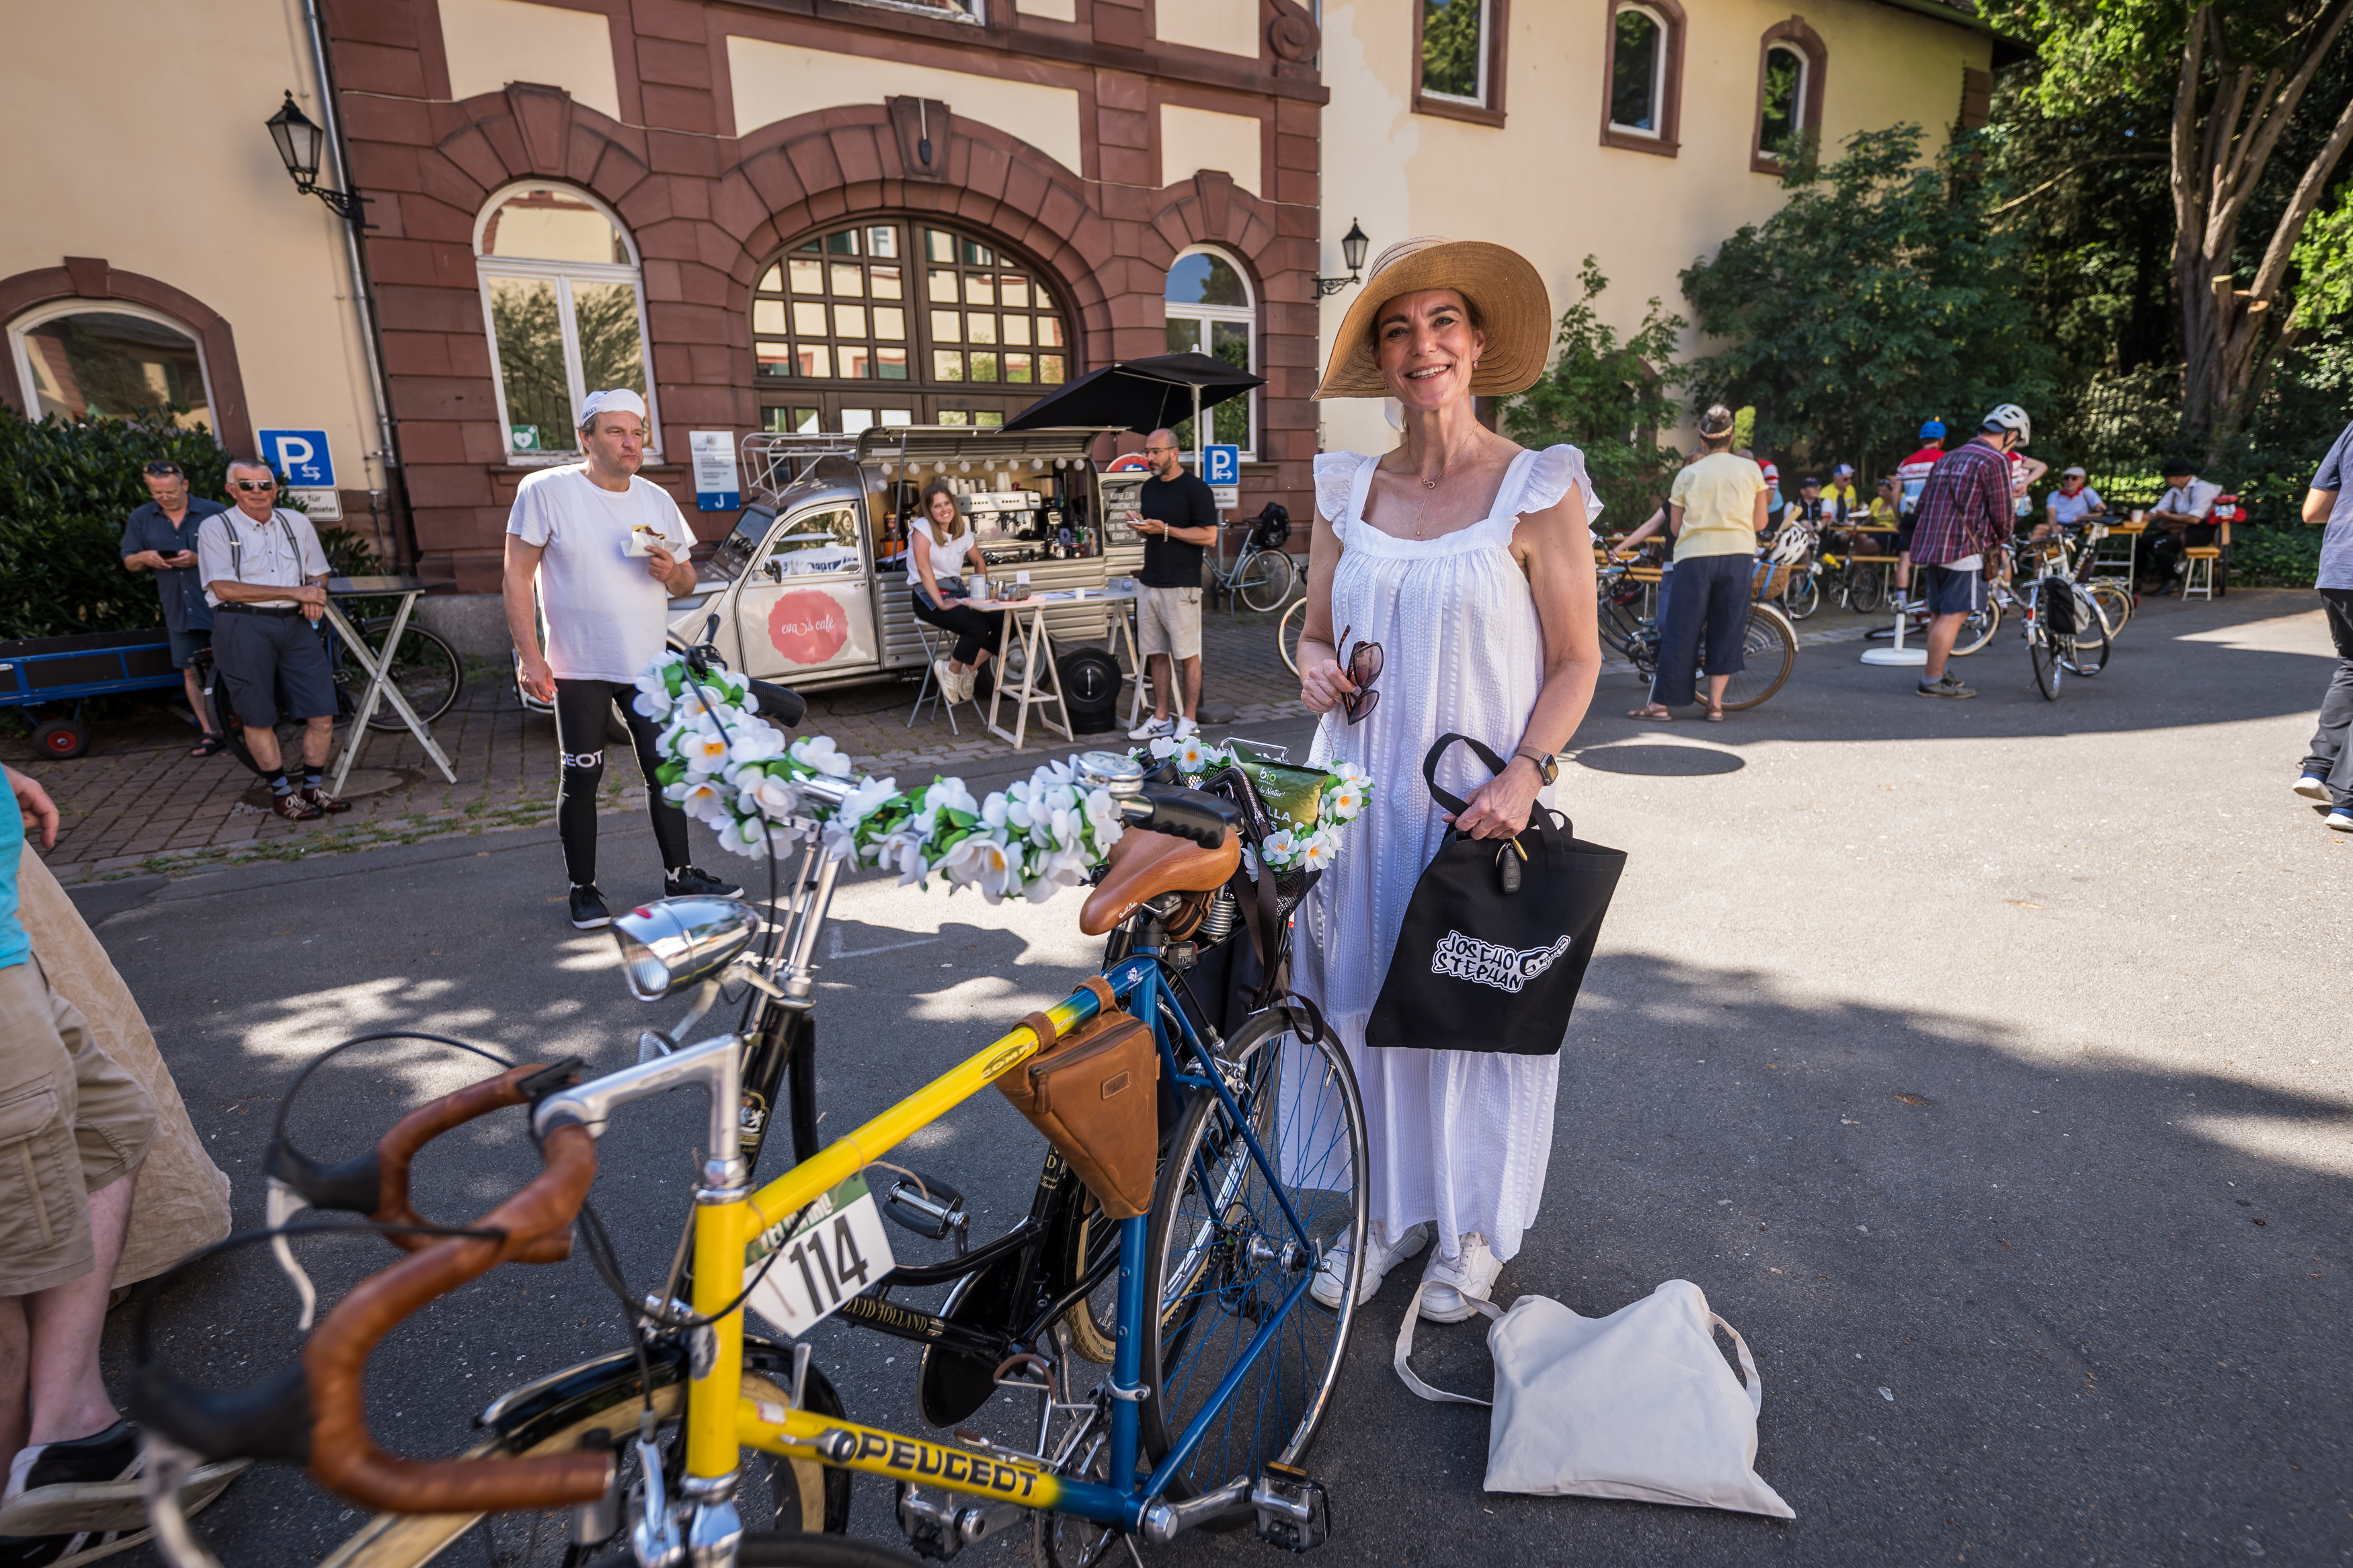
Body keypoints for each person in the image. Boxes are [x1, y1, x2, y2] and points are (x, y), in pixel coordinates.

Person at [1294, 235, 1603, 1323]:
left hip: (1477, 803)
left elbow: (1576, 659)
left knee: (1472, 1010)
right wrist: (1314, 664)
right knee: (1367, 1003)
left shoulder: (1535, 486)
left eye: (1440, 324)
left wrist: (1528, 771)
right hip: (1359, 797)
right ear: (1382, 359)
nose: (1420, 345)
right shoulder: (1348, 488)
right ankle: (1385, 1212)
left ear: (1475, 346)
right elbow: (1314, 631)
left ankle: (1471, 1231)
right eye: (1396, 328)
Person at [0, 763, 159, 1567]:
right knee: (7, 1273)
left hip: (11, 955)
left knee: (112, 1122)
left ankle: (68, 1427)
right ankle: (18, 1519)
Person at [503, 388, 740, 930]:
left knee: (666, 772)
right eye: (615, 431)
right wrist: (530, 657)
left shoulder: (655, 499)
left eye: (637, 431)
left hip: (646, 664)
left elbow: (685, 579)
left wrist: (670, 573)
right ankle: (583, 889)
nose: (630, 441)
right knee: (582, 778)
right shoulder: (545, 491)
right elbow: (517, 575)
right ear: (586, 438)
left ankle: (680, 874)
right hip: (578, 664)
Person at [196, 461, 349, 821]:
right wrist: (302, 591)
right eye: (246, 485)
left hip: (294, 623)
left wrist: (314, 592)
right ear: (231, 490)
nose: (257, 491)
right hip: (241, 624)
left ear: (275, 489)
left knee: (321, 710)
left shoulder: (295, 522)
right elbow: (225, 587)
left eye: (264, 484)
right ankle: (281, 793)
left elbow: (320, 572)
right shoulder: (215, 528)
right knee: (258, 713)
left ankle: (312, 787)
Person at [1629, 405, 1769, 723]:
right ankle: (1715, 706)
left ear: (1702, 440)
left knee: (1682, 629)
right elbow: (1760, 521)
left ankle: (1661, 705)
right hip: (1737, 554)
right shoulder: (1751, 471)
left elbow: (1676, 529)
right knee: (1727, 626)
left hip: (1694, 557)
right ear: (1730, 437)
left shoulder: (1688, 473)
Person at [1907, 405, 2029, 699]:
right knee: (1954, 614)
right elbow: (2002, 514)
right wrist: (2001, 542)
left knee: (1939, 613)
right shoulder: (1995, 460)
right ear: (2010, 434)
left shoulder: (1947, 458)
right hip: (1966, 548)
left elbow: (1923, 505)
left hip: (1932, 545)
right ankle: (1931, 681)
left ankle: (1935, 672)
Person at [118, 460, 229, 757]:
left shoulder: (215, 512)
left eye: (170, 492)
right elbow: (128, 562)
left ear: (185, 485)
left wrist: (200, 559)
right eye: (157, 493)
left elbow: (241, 554)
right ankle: (210, 731)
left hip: (221, 606)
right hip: (179, 609)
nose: (165, 498)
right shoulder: (141, 518)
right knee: (190, 672)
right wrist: (144, 556)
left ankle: (243, 723)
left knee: (236, 665)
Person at [1125, 427, 1219, 742]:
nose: (1148, 457)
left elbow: (1209, 536)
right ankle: (1161, 718)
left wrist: (1166, 529)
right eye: (1146, 451)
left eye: (1155, 452)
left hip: (1182, 585)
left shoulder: (1197, 489)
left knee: (1188, 654)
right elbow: (1155, 532)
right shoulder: (1150, 488)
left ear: (1174, 453)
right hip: (1150, 581)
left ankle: (1189, 720)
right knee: (1155, 653)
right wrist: (1142, 527)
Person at [2295, 417, 2353, 831]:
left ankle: (2317, 767)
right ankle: (2348, 799)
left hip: (2338, 569)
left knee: (2351, 665)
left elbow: (2313, 510)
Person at [906, 480, 1004, 704]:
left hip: (958, 592)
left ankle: (968, 669)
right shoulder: (922, 526)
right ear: (929, 511)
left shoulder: (962, 530)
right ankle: (951, 669)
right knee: (977, 627)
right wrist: (940, 602)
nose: (944, 509)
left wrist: (982, 596)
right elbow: (923, 567)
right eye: (937, 506)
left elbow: (979, 561)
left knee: (1007, 621)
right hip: (928, 597)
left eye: (947, 503)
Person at [1892, 419, 1949, 598]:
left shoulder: (1906, 463)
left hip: (1910, 515)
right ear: (1942, 440)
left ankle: (1901, 598)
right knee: (1941, 557)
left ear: (1921, 440)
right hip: (1936, 516)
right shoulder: (1946, 459)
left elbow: (1895, 493)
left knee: (1905, 559)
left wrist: (1897, 517)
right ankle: (1938, 596)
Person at [2146, 458, 2222, 592]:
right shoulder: (2175, 491)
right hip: (2182, 529)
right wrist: (2141, 517)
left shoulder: (2202, 488)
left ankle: (2171, 582)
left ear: (2177, 477)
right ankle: (2136, 584)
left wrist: (2168, 516)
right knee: (2143, 541)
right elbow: (2157, 511)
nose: (2165, 479)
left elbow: (2195, 519)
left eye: (2167, 477)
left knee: (2158, 544)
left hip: (2200, 532)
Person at [2044, 466, 2106, 534]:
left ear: (2082, 481)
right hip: (2057, 525)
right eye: (2067, 478)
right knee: (2039, 529)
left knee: (2051, 530)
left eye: (2074, 478)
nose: (2069, 481)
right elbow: (2051, 516)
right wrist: (2053, 529)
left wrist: (2086, 516)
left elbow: (2103, 511)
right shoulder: (2054, 495)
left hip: (2076, 526)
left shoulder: (2087, 492)